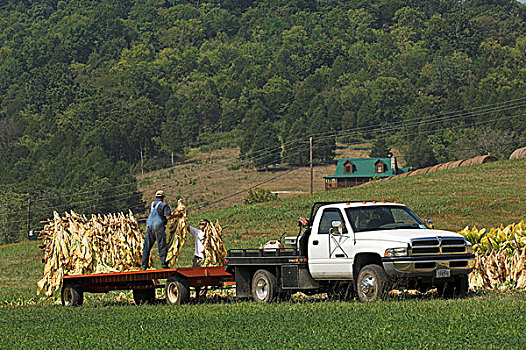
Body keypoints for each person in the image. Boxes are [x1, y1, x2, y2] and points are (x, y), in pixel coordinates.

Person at [141, 190, 177, 270]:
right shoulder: (164, 205)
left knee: (147, 246)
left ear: (156, 197)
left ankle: (143, 266)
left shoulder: (152, 204)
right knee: (162, 246)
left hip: (149, 226)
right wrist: (177, 215)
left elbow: (151, 214)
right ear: (163, 197)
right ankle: (164, 264)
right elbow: (167, 217)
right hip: (158, 226)